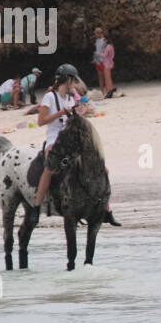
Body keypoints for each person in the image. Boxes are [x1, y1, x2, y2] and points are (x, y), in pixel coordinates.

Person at [32, 64, 120, 226]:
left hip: (69, 138)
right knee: (50, 167)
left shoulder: (69, 98)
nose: (75, 83)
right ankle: (36, 207)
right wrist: (60, 113)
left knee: (101, 167)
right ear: (68, 79)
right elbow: (40, 121)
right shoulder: (50, 97)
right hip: (54, 138)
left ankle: (106, 209)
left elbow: (72, 121)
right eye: (74, 80)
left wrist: (79, 114)